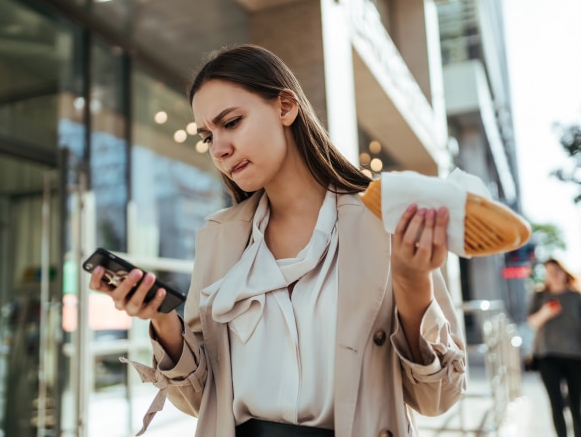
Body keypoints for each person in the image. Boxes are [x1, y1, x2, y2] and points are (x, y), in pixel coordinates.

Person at [89, 44, 466, 436]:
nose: (219, 149)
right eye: (207, 137)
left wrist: (412, 283)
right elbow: (201, 402)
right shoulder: (219, 239)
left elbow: (437, 397)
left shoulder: (381, 221)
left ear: (286, 107)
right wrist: (163, 321)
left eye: (231, 122)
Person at [527, 258, 581, 437]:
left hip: (575, 356)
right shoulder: (539, 296)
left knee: (576, 404)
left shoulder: (576, 297)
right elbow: (532, 323)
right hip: (547, 355)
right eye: (549, 271)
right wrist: (545, 313)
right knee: (556, 404)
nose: (553, 275)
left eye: (557, 270)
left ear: (565, 272)